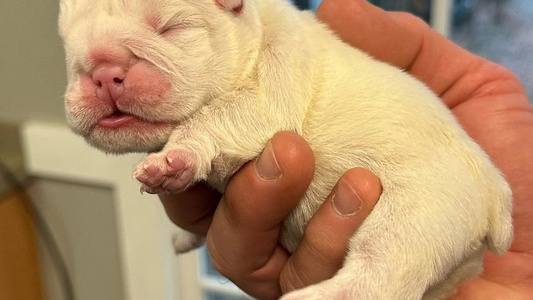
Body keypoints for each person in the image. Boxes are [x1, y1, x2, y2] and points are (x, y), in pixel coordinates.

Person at [159, 0, 533, 299]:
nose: (110, 81)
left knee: (385, 254)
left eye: (170, 29)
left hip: (436, 181)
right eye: (95, 64)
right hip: (476, 254)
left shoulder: (279, 41)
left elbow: (259, 119)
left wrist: (194, 144)